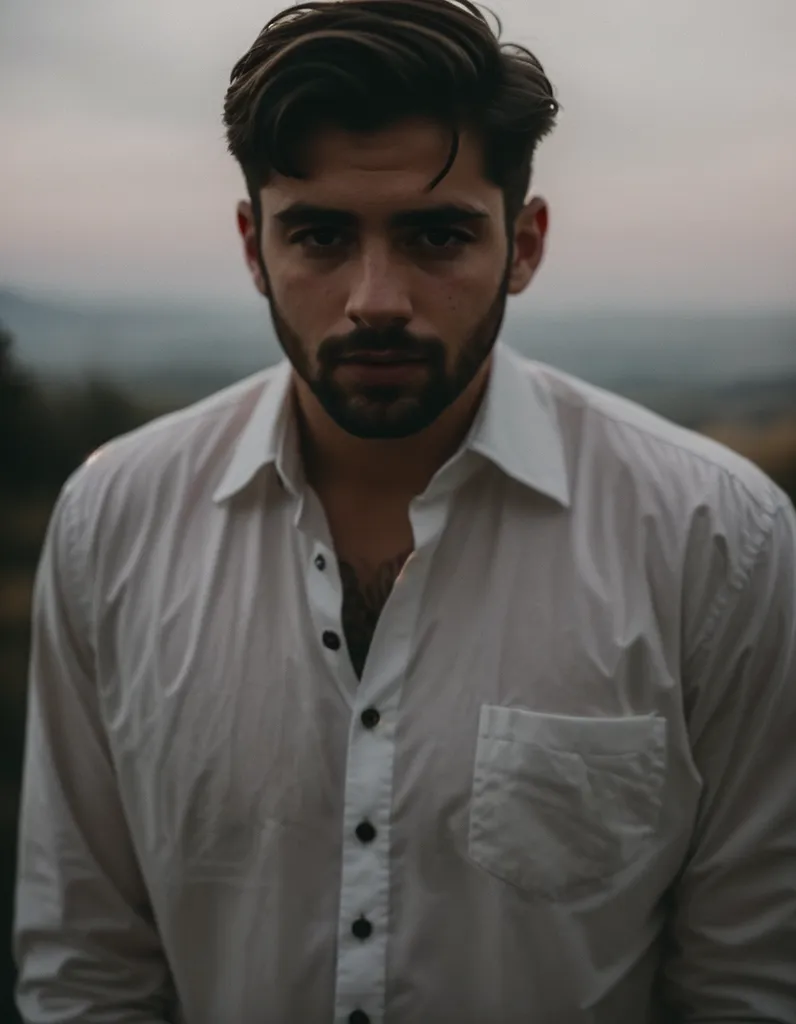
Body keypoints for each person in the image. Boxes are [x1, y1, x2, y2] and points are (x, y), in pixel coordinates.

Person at [13, 0, 796, 1020]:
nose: (375, 297)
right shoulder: (111, 522)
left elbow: (749, 974)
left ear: (524, 245)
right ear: (254, 247)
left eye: (436, 235)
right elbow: (87, 963)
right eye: (321, 235)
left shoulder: (714, 537)